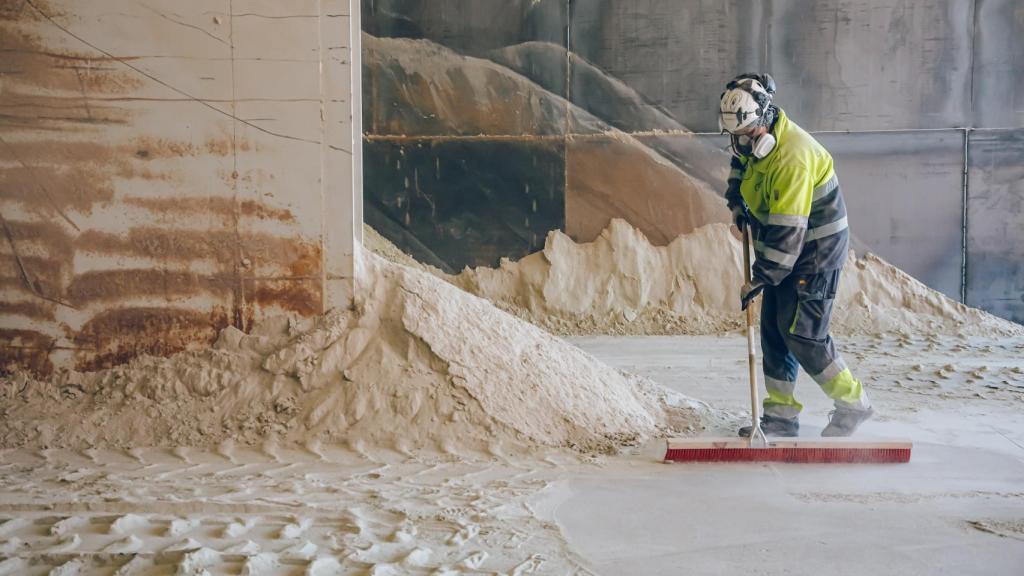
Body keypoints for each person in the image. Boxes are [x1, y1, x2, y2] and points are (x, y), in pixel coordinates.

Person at [718, 73, 873, 437]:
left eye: (747, 136)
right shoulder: (750, 142)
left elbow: (789, 233)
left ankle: (854, 404)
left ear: (765, 119)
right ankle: (781, 417)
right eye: (735, 137)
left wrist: (760, 277)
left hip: (814, 251)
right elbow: (742, 171)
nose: (741, 144)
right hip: (786, 248)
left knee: (802, 333)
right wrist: (737, 203)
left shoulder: (792, 159)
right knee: (773, 329)